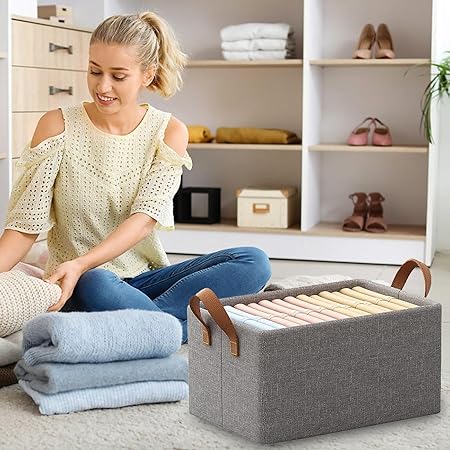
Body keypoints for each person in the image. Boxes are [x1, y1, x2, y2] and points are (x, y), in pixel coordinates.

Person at [0, 12, 271, 343]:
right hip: (80, 282)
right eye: (95, 71)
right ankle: (173, 330)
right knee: (96, 280)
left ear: (147, 74)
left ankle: (153, 329)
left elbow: (144, 221)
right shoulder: (57, 125)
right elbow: (25, 227)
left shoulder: (168, 132)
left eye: (118, 76)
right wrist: (78, 266)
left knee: (253, 261)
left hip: (145, 278)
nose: (103, 86)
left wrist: (83, 262)